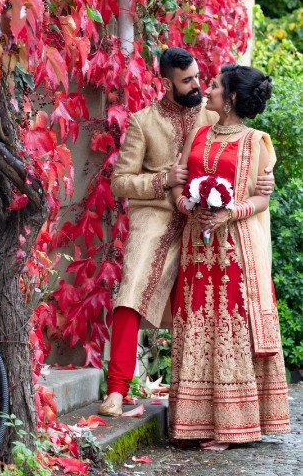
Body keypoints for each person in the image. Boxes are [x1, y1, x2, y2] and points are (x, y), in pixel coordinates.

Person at [99, 48, 275, 417]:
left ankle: (210, 399)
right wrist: (164, 180)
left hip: (209, 217)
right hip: (159, 212)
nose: (198, 85)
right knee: (132, 286)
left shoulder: (211, 113)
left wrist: (264, 180)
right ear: (167, 83)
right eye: (188, 80)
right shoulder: (143, 121)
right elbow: (119, 182)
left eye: (200, 77)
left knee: (213, 300)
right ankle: (116, 389)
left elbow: (243, 157)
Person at [170, 64, 290, 450]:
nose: (208, 90)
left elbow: (261, 198)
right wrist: (187, 204)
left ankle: (231, 426)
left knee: (228, 328)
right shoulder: (200, 132)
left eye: (216, 86)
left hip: (235, 252)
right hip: (196, 247)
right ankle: (194, 423)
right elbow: (179, 182)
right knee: (197, 325)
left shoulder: (257, 141)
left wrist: (227, 212)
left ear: (233, 97)